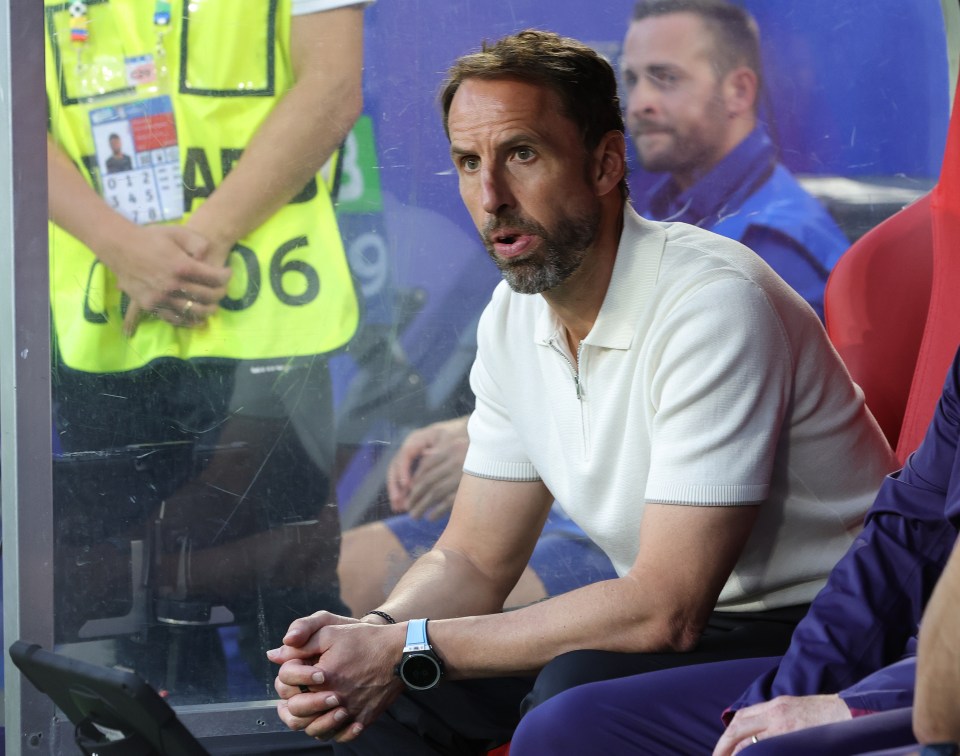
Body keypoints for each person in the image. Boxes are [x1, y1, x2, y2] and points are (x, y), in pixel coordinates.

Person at [267, 29, 895, 753]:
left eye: (521, 155)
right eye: (468, 164)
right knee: (384, 701)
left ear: (605, 163)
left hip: (829, 627)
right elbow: (473, 558)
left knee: (569, 696)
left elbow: (666, 609)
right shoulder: (513, 316)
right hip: (696, 623)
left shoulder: (713, 303)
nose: (491, 196)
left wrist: (413, 645)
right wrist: (376, 635)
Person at [45, 0, 369, 701]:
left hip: (267, 323)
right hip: (105, 328)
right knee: (131, 615)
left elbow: (333, 84)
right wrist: (119, 245)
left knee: (292, 607)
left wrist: (196, 245)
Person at [507, 346, 960, 756]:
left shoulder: (723, 302)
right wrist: (783, 701)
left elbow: (664, 603)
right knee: (565, 728)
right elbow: (908, 533)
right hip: (915, 656)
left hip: (929, 688)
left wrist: (861, 705)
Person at [624, 0, 849, 320]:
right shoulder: (663, 212)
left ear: (739, 91)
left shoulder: (774, 251)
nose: (638, 103)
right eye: (633, 80)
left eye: (666, 77)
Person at [338, 413, 618, 616]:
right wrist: (474, 429)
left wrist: (505, 448)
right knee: (341, 566)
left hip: (605, 526)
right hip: (522, 490)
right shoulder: (511, 331)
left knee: (465, 617)